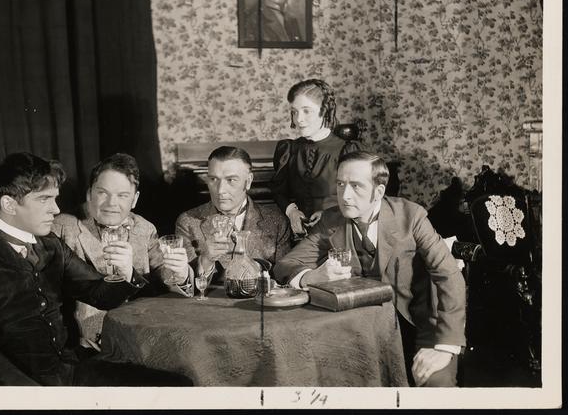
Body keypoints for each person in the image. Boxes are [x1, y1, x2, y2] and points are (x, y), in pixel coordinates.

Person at [0, 152, 191, 386]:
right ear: (9, 204)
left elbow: (99, 293)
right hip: (16, 387)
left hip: (68, 372)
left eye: (55, 198)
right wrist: (35, 397)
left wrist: (125, 274)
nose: (56, 209)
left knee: (178, 386)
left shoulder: (50, 244)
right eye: (44, 199)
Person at [273, 151, 466, 387]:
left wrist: (445, 347)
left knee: (436, 387)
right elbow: (285, 265)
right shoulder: (331, 220)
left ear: (379, 191)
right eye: (340, 184)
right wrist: (312, 277)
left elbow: (448, 274)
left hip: (419, 328)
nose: (345, 195)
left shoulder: (411, 216)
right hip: (360, 334)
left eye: (356, 186)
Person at [52, 153, 193, 350]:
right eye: (103, 193)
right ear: (89, 194)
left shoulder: (144, 229)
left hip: (140, 335)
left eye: (122, 195)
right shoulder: (62, 227)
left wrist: (182, 273)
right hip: (85, 344)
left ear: (134, 200)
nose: (111, 203)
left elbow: (163, 279)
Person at [175, 146, 292, 284]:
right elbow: (185, 284)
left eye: (231, 180)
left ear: (248, 181)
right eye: (213, 179)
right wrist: (206, 259)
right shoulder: (188, 222)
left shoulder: (277, 222)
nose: (220, 190)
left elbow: (285, 278)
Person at [270, 79, 344, 240]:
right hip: (299, 236)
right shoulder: (289, 150)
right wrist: (292, 211)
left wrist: (329, 214)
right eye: (294, 112)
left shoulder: (346, 150)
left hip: (340, 232)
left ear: (324, 111)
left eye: (306, 111)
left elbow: (361, 198)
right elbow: (279, 192)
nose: (298, 119)